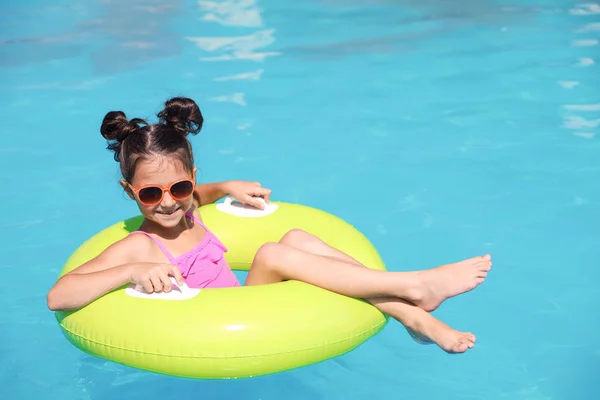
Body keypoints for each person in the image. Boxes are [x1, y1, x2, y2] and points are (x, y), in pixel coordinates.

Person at [46, 97, 492, 354]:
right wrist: (130, 273)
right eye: (149, 194)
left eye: (178, 188)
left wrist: (228, 187)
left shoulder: (190, 205)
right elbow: (58, 295)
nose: (166, 204)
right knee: (274, 252)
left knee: (297, 238)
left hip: (245, 302)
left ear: (191, 180)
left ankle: (413, 314)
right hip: (211, 333)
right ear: (130, 192)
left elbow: (200, 194)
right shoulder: (138, 247)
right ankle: (414, 287)